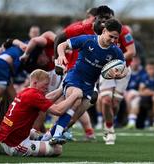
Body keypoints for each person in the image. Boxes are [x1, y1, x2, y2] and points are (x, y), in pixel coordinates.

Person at [45, 19, 127, 144]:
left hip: (90, 85)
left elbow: (124, 68)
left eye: (115, 38)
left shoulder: (115, 51)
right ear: (104, 31)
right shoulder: (87, 40)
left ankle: (46, 137)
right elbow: (62, 45)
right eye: (111, 36)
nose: (113, 40)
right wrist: (61, 55)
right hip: (74, 77)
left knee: (72, 119)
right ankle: (56, 135)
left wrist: (119, 75)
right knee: (76, 97)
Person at [53, 5, 115, 140]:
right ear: (95, 18)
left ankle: (57, 130)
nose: (105, 21)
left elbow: (116, 58)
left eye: (108, 18)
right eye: (102, 18)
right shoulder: (82, 30)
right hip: (73, 71)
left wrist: (119, 71)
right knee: (70, 102)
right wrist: (57, 58)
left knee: (81, 105)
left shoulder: (113, 36)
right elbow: (60, 39)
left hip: (92, 77)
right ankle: (47, 131)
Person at [0, 69, 82, 156]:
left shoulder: (26, 91)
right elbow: (58, 110)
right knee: (57, 149)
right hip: (15, 144)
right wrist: (75, 95)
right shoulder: (33, 95)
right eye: (45, 85)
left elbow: (47, 99)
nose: (47, 88)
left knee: (35, 133)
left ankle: (43, 139)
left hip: (7, 136)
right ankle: (41, 141)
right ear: (35, 83)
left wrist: (63, 86)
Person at [97, 22, 136, 144]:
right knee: (106, 100)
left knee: (115, 103)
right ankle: (109, 129)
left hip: (123, 69)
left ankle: (109, 122)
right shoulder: (102, 31)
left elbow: (131, 52)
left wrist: (116, 63)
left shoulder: (124, 32)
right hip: (106, 70)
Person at [124, 55, 146, 129]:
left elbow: (142, 89)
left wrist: (134, 93)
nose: (135, 63)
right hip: (124, 93)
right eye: (133, 61)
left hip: (138, 95)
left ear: (140, 62)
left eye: (137, 61)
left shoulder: (143, 72)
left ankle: (131, 122)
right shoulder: (126, 70)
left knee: (135, 101)